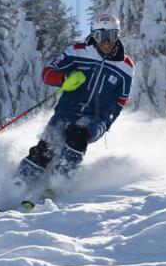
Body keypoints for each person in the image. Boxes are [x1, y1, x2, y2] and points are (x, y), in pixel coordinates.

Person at [14, 12, 134, 191]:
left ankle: (60, 181)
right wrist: (64, 79)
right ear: (93, 35)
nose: (106, 41)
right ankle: (19, 184)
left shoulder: (126, 66)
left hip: (96, 117)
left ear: (118, 36)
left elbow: (121, 99)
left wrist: (107, 121)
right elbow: (48, 73)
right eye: (101, 36)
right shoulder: (77, 51)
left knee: (78, 135)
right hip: (67, 111)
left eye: (111, 35)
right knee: (46, 147)